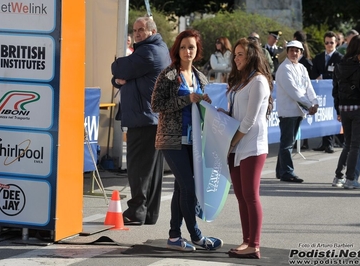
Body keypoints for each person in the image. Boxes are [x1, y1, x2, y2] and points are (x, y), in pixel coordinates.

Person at [151, 29, 223, 252]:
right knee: (189, 188)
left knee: (181, 189)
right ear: (177, 50)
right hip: (171, 140)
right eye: (183, 47)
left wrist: (205, 103)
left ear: (197, 50)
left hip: (194, 141)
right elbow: (156, 105)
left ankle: (174, 236)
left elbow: (199, 106)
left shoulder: (201, 77)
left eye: (191, 47)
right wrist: (186, 100)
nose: (187, 51)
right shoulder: (169, 75)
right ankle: (196, 235)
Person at [111, 17, 171, 225]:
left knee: (138, 168)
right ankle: (148, 213)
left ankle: (136, 211)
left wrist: (123, 74)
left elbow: (117, 68)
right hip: (151, 117)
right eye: (135, 30)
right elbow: (120, 77)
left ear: (152, 31)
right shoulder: (156, 49)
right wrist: (124, 77)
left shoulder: (149, 52)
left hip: (144, 118)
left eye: (141, 30)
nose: (136, 33)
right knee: (152, 170)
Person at [217, 37, 273, 259]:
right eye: (235, 54)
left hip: (251, 145)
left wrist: (231, 142)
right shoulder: (241, 81)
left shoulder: (258, 81)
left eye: (240, 54)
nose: (236, 58)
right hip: (237, 145)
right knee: (240, 196)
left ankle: (254, 244)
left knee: (250, 195)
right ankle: (246, 240)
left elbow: (249, 120)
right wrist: (223, 116)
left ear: (251, 56)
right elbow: (237, 114)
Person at [275, 40, 319, 183]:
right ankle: (287, 172)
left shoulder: (301, 68)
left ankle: (280, 171)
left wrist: (315, 102)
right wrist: (309, 104)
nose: (294, 53)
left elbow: (308, 87)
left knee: (288, 142)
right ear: (287, 52)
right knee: (287, 143)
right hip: (288, 111)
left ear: (301, 53)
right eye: (291, 50)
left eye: (297, 51)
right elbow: (293, 91)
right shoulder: (284, 68)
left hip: (298, 111)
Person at [331, 34, 360, 189]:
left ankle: (338, 176)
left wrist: (338, 108)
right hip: (359, 108)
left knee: (347, 144)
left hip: (344, 108)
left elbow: (335, 90)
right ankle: (351, 179)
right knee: (355, 146)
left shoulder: (339, 65)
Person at [311, 31, 344, 153]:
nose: (329, 45)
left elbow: (339, 74)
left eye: (332, 42)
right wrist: (318, 76)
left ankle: (330, 143)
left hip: (333, 93)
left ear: (336, 43)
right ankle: (324, 143)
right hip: (320, 92)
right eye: (327, 43)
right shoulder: (319, 57)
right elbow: (313, 73)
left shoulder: (340, 58)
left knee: (330, 116)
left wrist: (324, 76)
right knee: (322, 117)